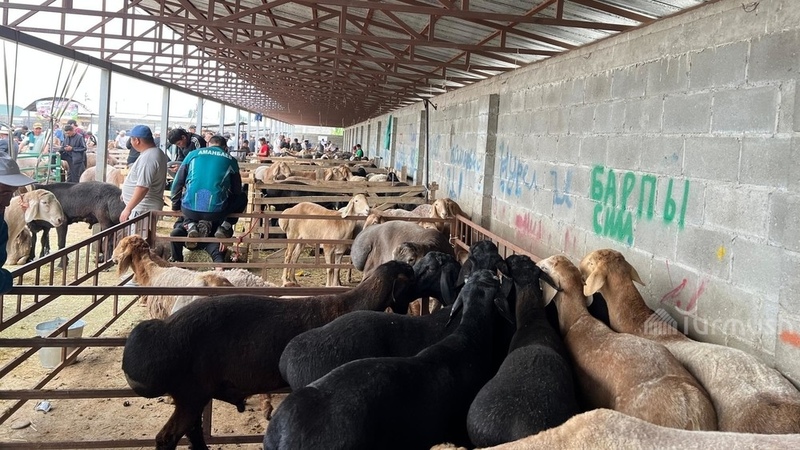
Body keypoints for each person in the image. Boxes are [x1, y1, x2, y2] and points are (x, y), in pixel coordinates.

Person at [170, 134, 247, 251]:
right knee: (242, 197)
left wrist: (175, 205)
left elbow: (178, 183)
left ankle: (190, 225)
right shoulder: (231, 160)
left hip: (189, 211)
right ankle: (225, 226)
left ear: (207, 145)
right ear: (225, 148)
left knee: (189, 194)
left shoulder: (192, 155)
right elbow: (236, 190)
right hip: (216, 212)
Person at [0, 154, 36, 293]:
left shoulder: (1, 225)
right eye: (3, 193)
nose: (7, 202)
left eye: (12, 193)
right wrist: (6, 280)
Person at [119, 125, 168, 223]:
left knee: (139, 233)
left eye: (131, 139)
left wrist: (128, 209)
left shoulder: (148, 158)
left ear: (137, 140)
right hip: (143, 208)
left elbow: (142, 187)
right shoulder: (155, 152)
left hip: (142, 209)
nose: (131, 142)